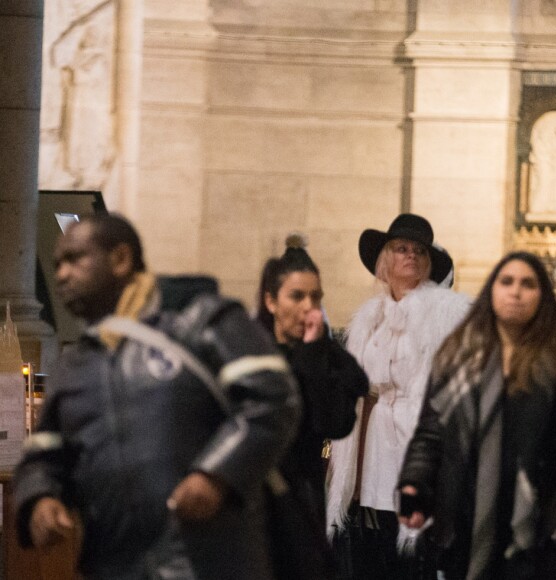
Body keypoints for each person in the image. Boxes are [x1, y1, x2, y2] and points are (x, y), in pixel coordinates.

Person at [13, 213, 301, 580]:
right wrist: (41, 498)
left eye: (75, 259)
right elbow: (43, 453)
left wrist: (215, 474)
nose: (62, 275)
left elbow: (271, 398)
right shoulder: (77, 363)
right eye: (57, 265)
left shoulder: (200, 320)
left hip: (205, 562)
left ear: (120, 259)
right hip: (112, 565)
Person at [398, 251, 556, 580]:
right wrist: (415, 483)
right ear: (491, 291)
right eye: (506, 281)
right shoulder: (458, 359)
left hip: (539, 532)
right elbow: (431, 433)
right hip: (465, 519)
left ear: (542, 296)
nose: (516, 291)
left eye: (528, 284)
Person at [326, 213, 471, 580]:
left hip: (418, 440)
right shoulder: (369, 320)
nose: (410, 256)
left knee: (418, 553)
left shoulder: (447, 317)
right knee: (374, 547)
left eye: (418, 251)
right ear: (384, 260)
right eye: (400, 249)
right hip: (373, 446)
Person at [256, 233, 369, 580]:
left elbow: (334, 422)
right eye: (297, 296)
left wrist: (311, 353)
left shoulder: (328, 358)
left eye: (315, 296)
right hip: (254, 502)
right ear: (271, 301)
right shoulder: (249, 350)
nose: (308, 306)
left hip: (302, 500)